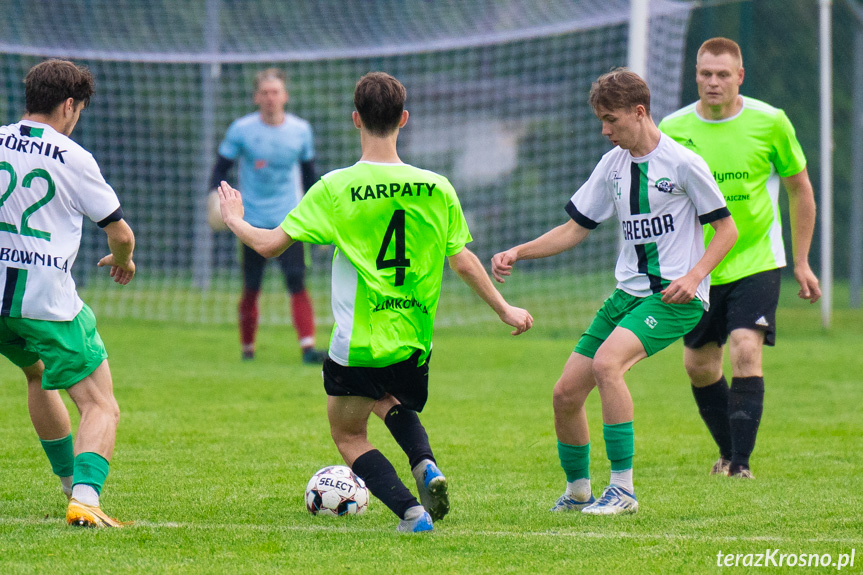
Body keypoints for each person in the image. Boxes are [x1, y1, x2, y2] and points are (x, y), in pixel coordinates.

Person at [219, 71, 533, 533]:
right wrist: (505, 309)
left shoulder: (335, 188)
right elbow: (463, 261)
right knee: (386, 398)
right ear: (403, 119)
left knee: (347, 433)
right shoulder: (437, 187)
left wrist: (234, 219)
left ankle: (411, 512)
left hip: (359, 340)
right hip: (413, 338)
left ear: (355, 119)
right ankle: (424, 462)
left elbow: (268, 245)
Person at [492, 68, 738, 515]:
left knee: (608, 365)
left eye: (611, 120)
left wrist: (694, 275)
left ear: (638, 112)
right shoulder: (613, 165)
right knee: (565, 394)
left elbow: (726, 229)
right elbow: (574, 228)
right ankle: (579, 491)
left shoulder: (683, 164)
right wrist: (518, 252)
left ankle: (623, 491)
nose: (605, 130)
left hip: (673, 299)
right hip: (625, 297)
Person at [659, 38, 821, 479]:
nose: (713, 82)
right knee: (698, 366)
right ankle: (730, 454)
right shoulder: (671, 129)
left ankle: (740, 466)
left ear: (740, 77)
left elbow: (799, 189)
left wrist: (802, 261)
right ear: (696, 74)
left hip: (756, 259)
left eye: (723, 74)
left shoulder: (771, 122)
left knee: (746, 350)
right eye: (705, 74)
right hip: (698, 267)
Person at [0, 59, 136, 527]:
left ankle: (65, 482)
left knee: (37, 375)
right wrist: (122, 262)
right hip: (46, 303)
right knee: (100, 404)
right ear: (69, 105)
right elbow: (120, 233)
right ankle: (85, 497)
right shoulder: (72, 156)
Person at [208, 68, 326, 364]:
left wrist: (323, 216)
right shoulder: (242, 130)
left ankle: (308, 349)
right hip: (253, 222)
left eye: (276, 92)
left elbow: (311, 176)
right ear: (256, 97)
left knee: (297, 281)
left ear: (285, 96)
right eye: (265, 93)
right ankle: (248, 350)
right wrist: (216, 197)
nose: (271, 98)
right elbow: (220, 169)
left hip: (291, 220)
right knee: (251, 286)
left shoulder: (301, 131)